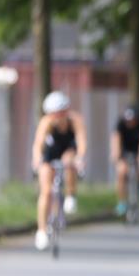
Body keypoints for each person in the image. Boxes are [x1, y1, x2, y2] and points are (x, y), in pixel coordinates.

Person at [31, 91, 87, 250]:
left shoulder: (75, 120)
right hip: (50, 152)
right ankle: (41, 231)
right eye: (54, 114)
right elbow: (38, 144)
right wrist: (36, 160)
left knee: (69, 161)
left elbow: (82, 141)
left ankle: (70, 195)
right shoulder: (46, 123)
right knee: (46, 191)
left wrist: (81, 158)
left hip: (68, 150)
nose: (57, 117)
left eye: (61, 113)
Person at [112, 105, 139, 216]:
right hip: (125, 149)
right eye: (128, 120)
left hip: (138, 149)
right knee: (121, 173)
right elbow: (116, 140)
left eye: (132, 120)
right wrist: (117, 156)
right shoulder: (120, 124)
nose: (130, 123)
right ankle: (122, 202)